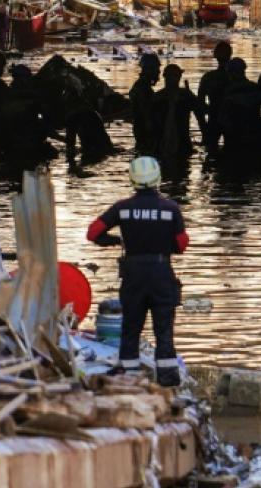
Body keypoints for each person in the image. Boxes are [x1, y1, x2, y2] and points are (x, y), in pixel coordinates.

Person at [86, 157, 187, 387]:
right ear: (157, 178)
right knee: (164, 331)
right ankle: (169, 384)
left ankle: (129, 381)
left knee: (130, 328)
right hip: (161, 273)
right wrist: (164, 244)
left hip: (133, 275)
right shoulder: (171, 209)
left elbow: (93, 233)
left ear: (132, 179)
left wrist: (115, 240)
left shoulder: (122, 208)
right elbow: (181, 244)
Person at [151, 64, 206, 160]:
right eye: (175, 76)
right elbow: (200, 112)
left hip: (170, 143)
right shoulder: (185, 95)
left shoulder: (158, 97)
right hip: (172, 142)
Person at [219, 58, 261, 155]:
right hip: (254, 136)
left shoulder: (228, 91)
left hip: (234, 138)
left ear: (230, 73)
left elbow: (223, 117)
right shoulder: (255, 87)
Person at [198, 41, 232, 150]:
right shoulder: (235, 76)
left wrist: (203, 129)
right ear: (230, 54)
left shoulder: (208, 78)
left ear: (215, 55)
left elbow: (200, 105)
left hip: (214, 119)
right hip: (232, 120)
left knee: (211, 151)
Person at [129, 54, 161, 155]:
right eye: (157, 69)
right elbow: (147, 114)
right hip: (146, 135)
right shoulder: (144, 89)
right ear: (149, 69)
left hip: (141, 133)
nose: (159, 72)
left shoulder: (141, 86)